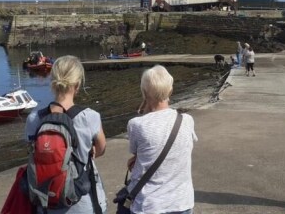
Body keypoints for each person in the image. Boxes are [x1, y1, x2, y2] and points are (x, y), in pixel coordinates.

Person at [25, 56, 108, 214]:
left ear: (53, 82)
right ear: (77, 85)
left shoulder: (34, 119)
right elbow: (102, 148)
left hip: (47, 204)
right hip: (84, 203)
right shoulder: (90, 117)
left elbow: (34, 153)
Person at [126, 65, 197, 214]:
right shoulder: (187, 120)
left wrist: (145, 109)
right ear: (170, 91)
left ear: (144, 93)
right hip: (182, 202)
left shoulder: (136, 124)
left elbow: (137, 152)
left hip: (149, 205)